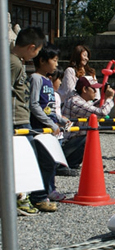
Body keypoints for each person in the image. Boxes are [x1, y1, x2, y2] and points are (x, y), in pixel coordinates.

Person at [29, 44, 72, 207]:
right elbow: (34, 105)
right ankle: (41, 193)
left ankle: (50, 189)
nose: (56, 64)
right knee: (44, 161)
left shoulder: (48, 80)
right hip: (40, 128)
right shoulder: (35, 78)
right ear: (42, 60)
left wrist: (61, 120)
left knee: (51, 161)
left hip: (50, 127)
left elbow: (50, 108)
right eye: (54, 60)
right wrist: (49, 123)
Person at [11, 26, 45, 216]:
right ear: (32, 47)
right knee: (25, 162)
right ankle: (21, 199)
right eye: (38, 51)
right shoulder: (13, 64)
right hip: (16, 119)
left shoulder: (16, 62)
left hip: (21, 118)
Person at [62, 77, 115, 170]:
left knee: (89, 135)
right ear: (84, 89)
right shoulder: (75, 102)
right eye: (93, 89)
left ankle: (90, 162)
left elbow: (92, 108)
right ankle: (70, 164)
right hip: (67, 144)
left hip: (72, 142)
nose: (96, 92)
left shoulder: (79, 100)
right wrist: (110, 98)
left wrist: (105, 97)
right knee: (88, 136)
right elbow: (102, 112)